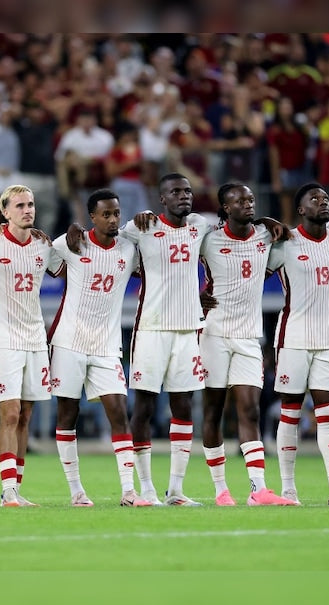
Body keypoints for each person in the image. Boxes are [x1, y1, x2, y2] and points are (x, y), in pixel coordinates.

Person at [97, 173, 214, 506]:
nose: (183, 196)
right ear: (161, 199)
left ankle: (176, 489)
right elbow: (107, 241)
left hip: (188, 329)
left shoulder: (200, 225)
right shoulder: (140, 228)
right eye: (175, 192)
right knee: (145, 407)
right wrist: (78, 231)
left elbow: (232, 236)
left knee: (183, 406)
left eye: (188, 191)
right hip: (151, 328)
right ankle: (146, 488)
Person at [0, 184, 64, 507]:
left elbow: (65, 266)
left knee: (26, 416)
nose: (28, 210)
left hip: (36, 338)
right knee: (11, 412)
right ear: (5, 212)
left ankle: (16, 490)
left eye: (31, 204)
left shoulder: (43, 247)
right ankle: (7, 491)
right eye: (19, 206)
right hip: (4, 340)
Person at [49, 188, 151, 507]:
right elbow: (39, 258)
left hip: (106, 346)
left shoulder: (129, 249)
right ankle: (76, 491)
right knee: (68, 414)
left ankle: (128, 491)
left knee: (119, 412)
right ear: (91, 216)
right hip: (69, 342)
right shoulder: (72, 244)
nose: (112, 219)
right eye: (105, 214)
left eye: (116, 214)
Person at [199, 182, 297, 506]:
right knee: (213, 411)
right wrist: (193, 296)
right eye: (239, 200)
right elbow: (175, 267)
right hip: (212, 334)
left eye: (251, 199)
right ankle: (220, 489)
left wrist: (272, 222)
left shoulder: (266, 236)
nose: (248, 204)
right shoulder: (209, 239)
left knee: (250, 409)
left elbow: (278, 252)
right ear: (225, 207)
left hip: (248, 337)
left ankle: (258, 489)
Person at [267, 183, 329, 506]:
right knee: (290, 413)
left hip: (327, 340)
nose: (322, 202)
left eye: (325, 198)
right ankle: (288, 489)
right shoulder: (285, 243)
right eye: (314, 199)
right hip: (292, 338)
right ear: (300, 210)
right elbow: (251, 273)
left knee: (327, 414)